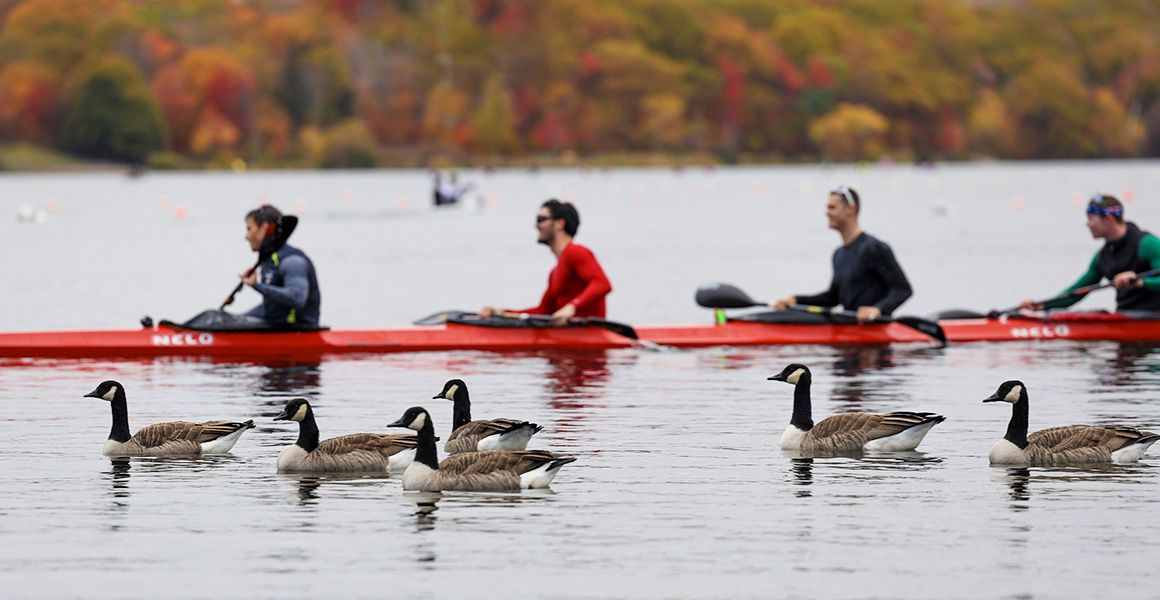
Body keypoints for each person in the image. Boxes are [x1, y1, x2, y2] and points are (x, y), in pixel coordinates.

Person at [773, 186, 913, 323]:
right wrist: (795, 300)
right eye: (827, 207)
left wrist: (877, 309)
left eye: (832, 207)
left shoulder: (874, 248)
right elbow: (832, 298)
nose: (826, 212)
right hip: (851, 329)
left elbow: (903, 289)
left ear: (851, 210)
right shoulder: (838, 254)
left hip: (876, 330)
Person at [1019, 194, 1160, 312]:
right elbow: (1077, 292)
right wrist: (1042, 305)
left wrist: (1141, 282)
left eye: (1091, 219)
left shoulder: (1148, 244)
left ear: (1109, 219)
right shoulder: (1102, 257)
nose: (1087, 224)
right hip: (1129, 316)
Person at [481, 199, 612, 325]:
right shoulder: (554, 273)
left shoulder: (576, 252)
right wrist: (501, 313)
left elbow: (603, 284)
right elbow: (542, 312)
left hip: (591, 332)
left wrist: (572, 307)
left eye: (541, 219)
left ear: (560, 224)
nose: (536, 225)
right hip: (569, 336)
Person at [240, 205, 322, 326]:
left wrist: (257, 285)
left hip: (297, 331)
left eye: (249, 228)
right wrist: (236, 320)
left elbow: (297, 298)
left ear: (264, 228)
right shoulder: (269, 261)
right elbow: (272, 309)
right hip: (277, 326)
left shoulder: (293, 261)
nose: (246, 236)